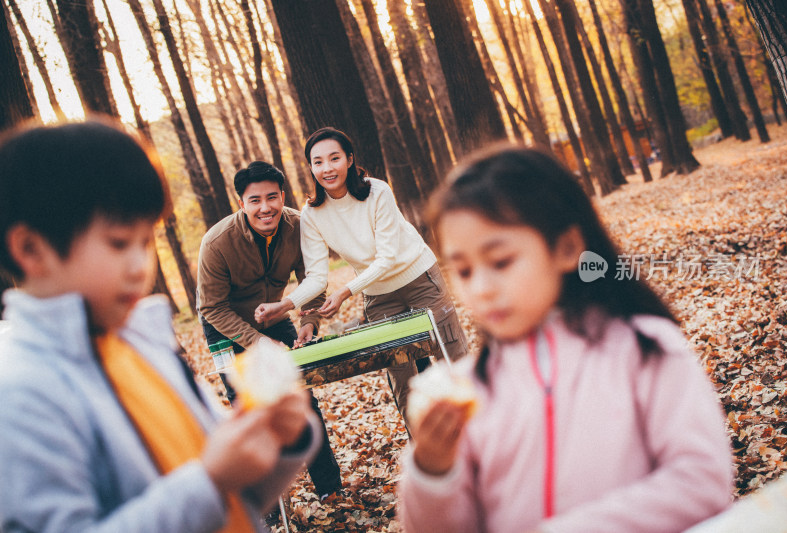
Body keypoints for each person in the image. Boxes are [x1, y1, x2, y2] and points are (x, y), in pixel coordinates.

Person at [0, 119, 321, 532]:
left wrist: (281, 442)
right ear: (31, 249)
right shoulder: (20, 391)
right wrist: (209, 481)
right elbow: (208, 485)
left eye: (145, 241)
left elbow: (237, 498)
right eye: (118, 243)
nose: (140, 268)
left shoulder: (145, 346)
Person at [399, 145, 734, 532]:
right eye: (464, 270)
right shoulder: (472, 389)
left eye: (501, 262)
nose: (482, 288)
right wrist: (431, 473)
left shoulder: (646, 346)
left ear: (567, 248)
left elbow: (702, 482)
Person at [254, 127, 470, 423]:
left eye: (334, 158)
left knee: (453, 357)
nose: (327, 168)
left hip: (420, 279)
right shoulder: (312, 214)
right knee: (402, 377)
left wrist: (344, 293)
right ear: (310, 167)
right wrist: (285, 305)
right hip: (379, 296)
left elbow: (387, 258)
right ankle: (428, 452)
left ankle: (485, 435)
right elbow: (317, 276)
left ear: (350, 159)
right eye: (318, 162)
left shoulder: (377, 191)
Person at [196, 161, 341, 499]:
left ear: (283, 196)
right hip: (224, 325)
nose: (265, 208)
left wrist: (309, 320)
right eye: (255, 200)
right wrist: (259, 344)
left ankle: (330, 490)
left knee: (301, 398)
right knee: (247, 410)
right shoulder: (216, 243)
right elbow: (211, 307)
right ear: (242, 204)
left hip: (275, 315)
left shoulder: (298, 226)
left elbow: (313, 279)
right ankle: (263, 504)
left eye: (272, 198)